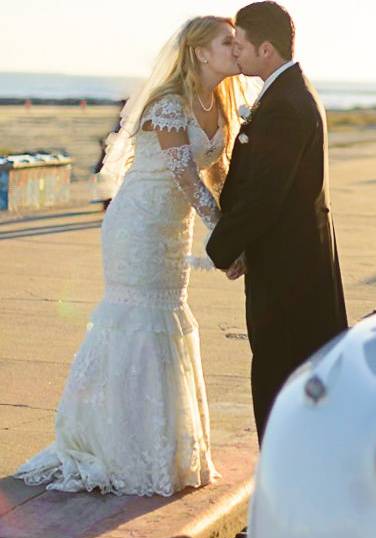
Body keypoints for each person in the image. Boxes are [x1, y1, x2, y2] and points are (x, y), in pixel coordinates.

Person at [14, 17, 248, 496]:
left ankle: (165, 446)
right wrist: (224, 240)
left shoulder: (220, 104)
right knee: (138, 321)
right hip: (137, 225)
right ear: (200, 52)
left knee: (165, 318)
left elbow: (218, 173)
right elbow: (186, 177)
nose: (236, 48)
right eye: (228, 42)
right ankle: (118, 445)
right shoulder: (167, 104)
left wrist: (242, 232)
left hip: (172, 230)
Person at [206, 1, 348, 443]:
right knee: (289, 376)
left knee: (279, 375)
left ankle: (284, 478)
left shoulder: (287, 104)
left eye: (242, 45)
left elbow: (265, 195)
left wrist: (222, 248)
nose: (237, 53)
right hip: (293, 264)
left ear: (266, 50)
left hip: (290, 275)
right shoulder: (288, 91)